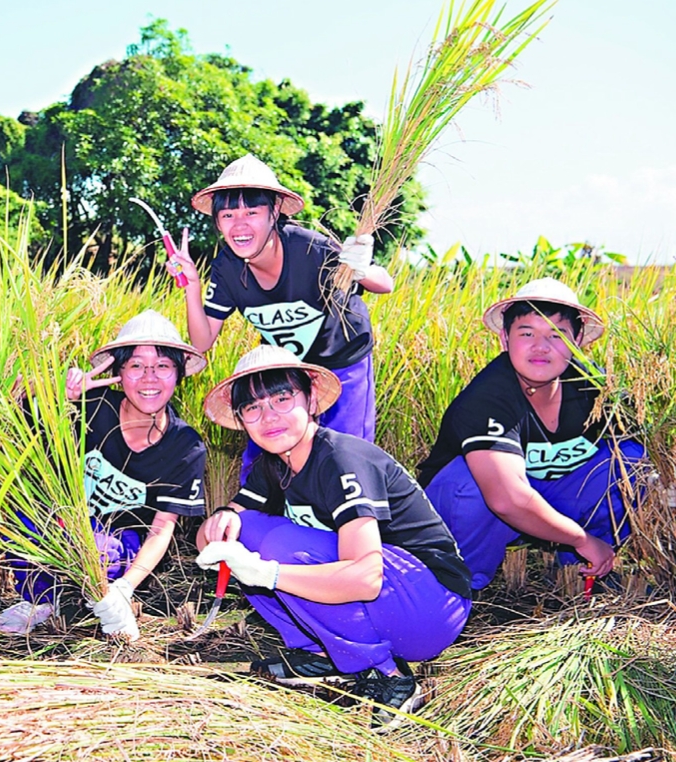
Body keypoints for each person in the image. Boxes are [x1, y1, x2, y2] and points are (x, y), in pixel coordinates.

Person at [195, 345, 470, 729]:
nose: (268, 416)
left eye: (281, 398)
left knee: (278, 550)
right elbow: (221, 532)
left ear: (309, 400)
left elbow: (366, 578)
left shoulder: (340, 459)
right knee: (245, 532)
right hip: (391, 604)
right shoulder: (273, 464)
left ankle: (387, 676)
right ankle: (324, 655)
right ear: (241, 420)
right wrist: (221, 521)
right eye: (252, 408)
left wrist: (267, 574)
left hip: (429, 607)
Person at [171, 154, 393, 480]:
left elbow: (384, 285)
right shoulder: (227, 268)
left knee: (347, 458)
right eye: (228, 214)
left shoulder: (309, 249)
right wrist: (191, 286)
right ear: (217, 222)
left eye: (252, 212)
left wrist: (363, 266)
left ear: (274, 211)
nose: (240, 224)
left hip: (343, 361)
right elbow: (202, 341)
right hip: (286, 373)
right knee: (264, 462)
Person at [418, 278, 647, 592]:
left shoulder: (595, 387)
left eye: (557, 335)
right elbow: (506, 499)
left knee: (631, 461)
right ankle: (457, 587)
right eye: (527, 333)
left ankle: (585, 573)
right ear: (505, 338)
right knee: (470, 483)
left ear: (577, 340)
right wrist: (581, 537)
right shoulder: (487, 397)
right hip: (480, 507)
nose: (542, 347)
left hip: (546, 496)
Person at [1, 310, 209, 640]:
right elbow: (11, 403)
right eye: (136, 366)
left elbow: (161, 528)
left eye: (163, 367)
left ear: (179, 374)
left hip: (115, 542)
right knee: (23, 512)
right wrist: (55, 388)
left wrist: (125, 589)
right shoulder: (92, 405)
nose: (149, 378)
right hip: (60, 518)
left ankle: (91, 594)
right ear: (118, 372)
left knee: (99, 548)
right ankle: (38, 599)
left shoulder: (185, 446)